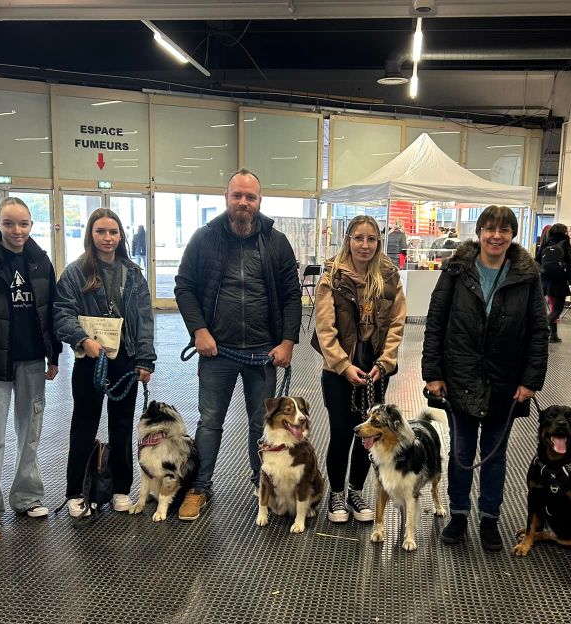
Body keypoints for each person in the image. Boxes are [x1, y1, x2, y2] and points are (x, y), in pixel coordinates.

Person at [174, 168, 302, 521]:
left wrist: (288, 340)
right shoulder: (205, 238)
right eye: (237, 196)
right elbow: (183, 287)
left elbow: (292, 295)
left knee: (261, 425)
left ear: (259, 201)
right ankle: (200, 487)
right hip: (218, 352)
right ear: (226, 198)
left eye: (251, 197)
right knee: (210, 421)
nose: (244, 203)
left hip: (263, 352)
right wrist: (199, 330)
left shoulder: (276, 243)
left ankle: (262, 484)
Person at [422, 205, 548, 551]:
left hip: (505, 381)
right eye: (490, 229)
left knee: (495, 453)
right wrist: (433, 374)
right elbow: (436, 322)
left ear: (512, 235)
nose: (496, 236)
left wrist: (531, 380)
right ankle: (459, 514)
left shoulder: (527, 276)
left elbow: (539, 330)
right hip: (459, 374)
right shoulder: (456, 270)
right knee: (461, 449)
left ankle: (489, 518)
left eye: (504, 230)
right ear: (479, 233)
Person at [54, 207, 154, 518]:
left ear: (121, 235)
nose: (107, 238)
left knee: (123, 425)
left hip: (124, 359)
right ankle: (75, 492)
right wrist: (82, 339)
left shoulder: (134, 274)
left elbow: (145, 319)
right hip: (89, 359)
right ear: (91, 235)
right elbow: (61, 314)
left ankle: (121, 489)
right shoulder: (74, 273)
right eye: (101, 232)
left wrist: (145, 359)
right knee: (83, 424)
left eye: (113, 232)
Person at [0, 197, 61, 525]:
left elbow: (51, 309)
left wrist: (54, 353)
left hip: (31, 360)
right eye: (9, 223)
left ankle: (27, 496)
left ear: (31, 225)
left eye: (23, 223)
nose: (17, 230)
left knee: (31, 432)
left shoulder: (40, 261)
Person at [314, 215, 406, 523]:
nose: (364, 245)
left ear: (379, 242)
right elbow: (325, 328)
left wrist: (385, 362)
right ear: (348, 240)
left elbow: (397, 324)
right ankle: (336, 494)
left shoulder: (389, 276)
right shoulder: (332, 275)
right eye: (358, 238)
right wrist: (342, 365)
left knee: (369, 436)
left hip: (375, 368)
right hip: (340, 369)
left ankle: (355, 491)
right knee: (341, 432)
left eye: (371, 239)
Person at [536, 222, 571, 343]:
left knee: (552, 307)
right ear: (564, 233)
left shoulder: (545, 244)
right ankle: (540, 330)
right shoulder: (565, 244)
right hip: (559, 280)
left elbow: (536, 261)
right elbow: (570, 263)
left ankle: (553, 335)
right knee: (557, 310)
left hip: (545, 279)